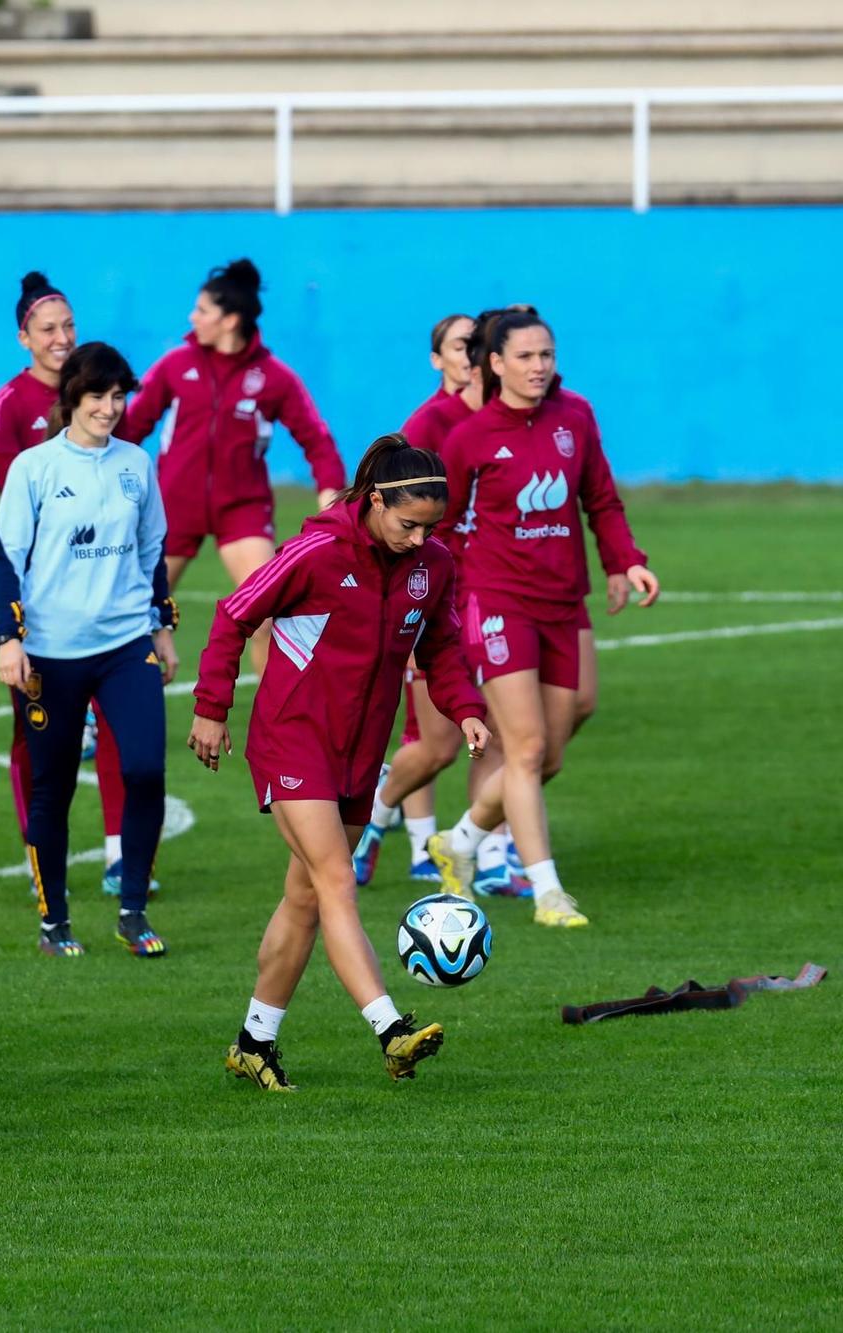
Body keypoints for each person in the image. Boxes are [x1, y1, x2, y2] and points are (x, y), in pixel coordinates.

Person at [188, 436, 488, 1090]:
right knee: (334, 881)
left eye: (431, 527)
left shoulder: (432, 564)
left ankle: (253, 1042)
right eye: (407, 523)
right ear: (375, 500)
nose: (419, 539)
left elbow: (440, 647)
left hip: (360, 752)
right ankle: (391, 1029)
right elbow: (233, 614)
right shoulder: (314, 553)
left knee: (304, 897)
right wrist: (211, 707)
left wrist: (464, 706)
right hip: (292, 739)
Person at [428, 311, 660, 928]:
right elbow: (442, 531)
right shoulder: (469, 438)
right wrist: (430, 610)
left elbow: (601, 498)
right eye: (525, 356)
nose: (539, 367)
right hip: (497, 599)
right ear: (494, 364)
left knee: (552, 747)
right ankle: (548, 892)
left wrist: (625, 563)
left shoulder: (575, 418)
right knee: (525, 747)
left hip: (564, 601)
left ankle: (460, 840)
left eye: (547, 355)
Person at [0, 343, 178, 958]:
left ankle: (132, 910)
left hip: (127, 645)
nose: (110, 408)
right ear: (71, 396)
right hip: (49, 653)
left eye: (119, 396)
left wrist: (162, 626)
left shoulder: (136, 465)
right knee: (54, 787)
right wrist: (9, 639)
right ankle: (55, 923)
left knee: (147, 767)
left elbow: (153, 552)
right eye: (98, 395)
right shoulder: (34, 468)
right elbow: (5, 561)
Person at [0, 272, 145, 900]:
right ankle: (40, 853)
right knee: (33, 730)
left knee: (116, 726)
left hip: (109, 598)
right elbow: (11, 520)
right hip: (40, 598)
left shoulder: (101, 392)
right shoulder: (9, 406)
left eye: (69, 326)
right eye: (49, 329)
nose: (62, 338)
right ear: (24, 336)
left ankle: (117, 852)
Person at [118, 258, 345, 674]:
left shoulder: (274, 377)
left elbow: (317, 439)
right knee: (133, 615)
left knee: (267, 614)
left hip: (242, 511)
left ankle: (273, 729)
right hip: (172, 508)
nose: (193, 317)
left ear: (230, 320)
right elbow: (132, 427)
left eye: (203, 311)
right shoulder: (175, 365)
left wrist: (330, 489)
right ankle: (113, 718)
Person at [354, 312, 480, 887]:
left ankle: (476, 849)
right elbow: (398, 526)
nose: (471, 357)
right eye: (461, 346)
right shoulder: (430, 423)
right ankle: (381, 823)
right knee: (433, 740)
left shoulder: (507, 421)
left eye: (478, 346)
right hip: (436, 597)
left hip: (493, 594)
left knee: (513, 734)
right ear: (438, 358)